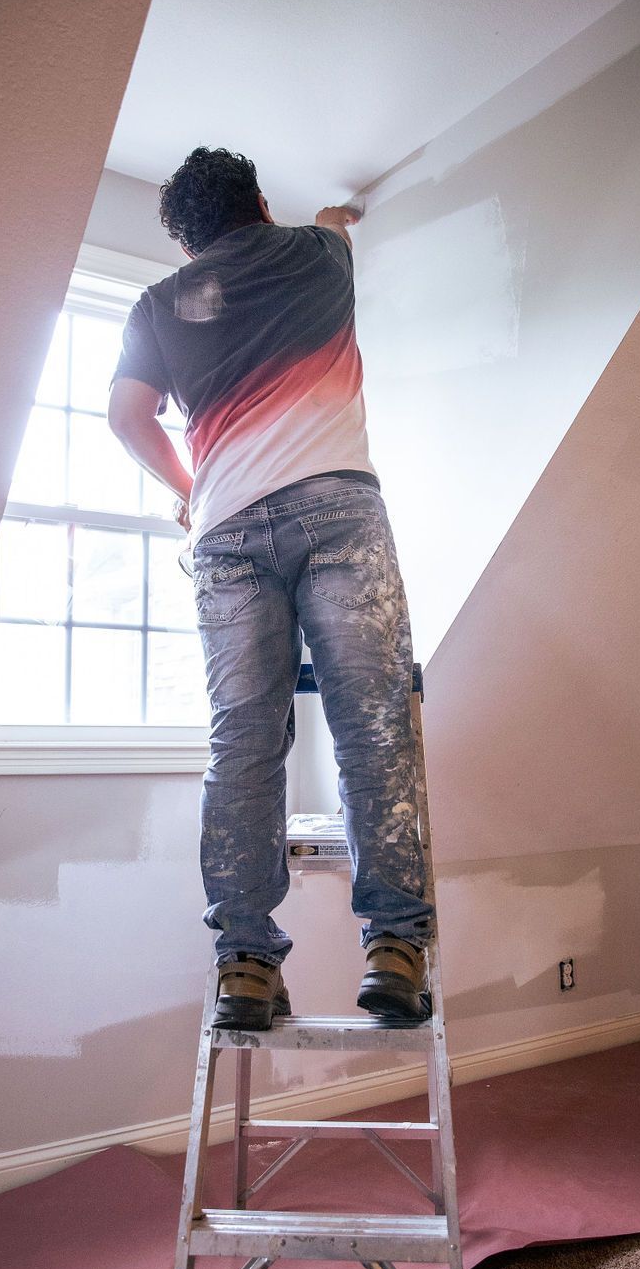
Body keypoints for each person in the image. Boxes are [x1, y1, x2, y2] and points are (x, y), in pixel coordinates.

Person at [108, 146, 433, 1030]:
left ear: (186, 244)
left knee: (243, 747)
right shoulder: (318, 255)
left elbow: (127, 418)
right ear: (258, 202)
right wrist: (338, 215)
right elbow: (332, 225)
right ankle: (396, 951)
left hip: (227, 533)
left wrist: (190, 489)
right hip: (338, 512)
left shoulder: (159, 305)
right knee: (372, 727)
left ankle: (245, 966)